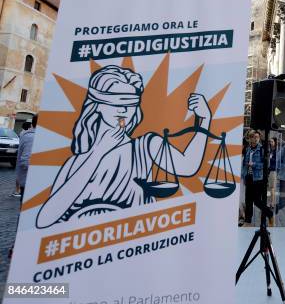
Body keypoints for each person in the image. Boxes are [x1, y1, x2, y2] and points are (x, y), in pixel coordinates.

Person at [36, 65, 212, 229]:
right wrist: (98, 153)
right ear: (97, 105)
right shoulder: (75, 162)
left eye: (129, 104)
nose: (123, 111)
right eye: (116, 103)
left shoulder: (145, 146)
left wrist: (205, 120)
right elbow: (44, 219)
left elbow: (188, 166)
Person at [241, 130, 265, 225]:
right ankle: (247, 221)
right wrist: (244, 174)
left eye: (257, 137)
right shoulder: (248, 149)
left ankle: (269, 214)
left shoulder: (262, 149)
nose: (255, 139)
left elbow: (265, 165)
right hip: (249, 177)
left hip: (258, 178)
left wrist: (254, 164)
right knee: (248, 200)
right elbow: (244, 163)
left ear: (259, 138)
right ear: (250, 138)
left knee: (257, 201)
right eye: (253, 137)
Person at [15, 118, 36, 203]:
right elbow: (26, 160)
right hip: (30, 180)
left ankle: (17, 190)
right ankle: (17, 190)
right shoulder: (30, 136)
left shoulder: (27, 135)